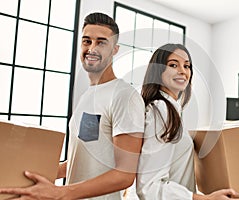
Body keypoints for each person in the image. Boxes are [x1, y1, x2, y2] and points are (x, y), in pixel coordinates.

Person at [0, 12, 145, 199]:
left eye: (101, 42)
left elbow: (124, 175)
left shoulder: (125, 96)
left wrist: (60, 192)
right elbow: (83, 160)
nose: (92, 48)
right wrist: (22, 175)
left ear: (115, 49)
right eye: (87, 41)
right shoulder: (88, 96)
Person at [136, 43, 239, 200]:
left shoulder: (172, 110)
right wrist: (206, 199)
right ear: (158, 71)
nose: (182, 71)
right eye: (173, 65)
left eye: (187, 66)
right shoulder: (160, 109)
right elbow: (150, 187)